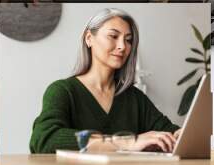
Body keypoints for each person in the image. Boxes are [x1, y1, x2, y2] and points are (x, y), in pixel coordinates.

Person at [30, 8, 181, 154]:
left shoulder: (135, 98)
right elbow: (44, 139)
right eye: (113, 36)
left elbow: (172, 134)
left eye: (128, 40)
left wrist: (183, 135)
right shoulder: (62, 91)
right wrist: (128, 142)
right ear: (89, 38)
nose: (122, 46)